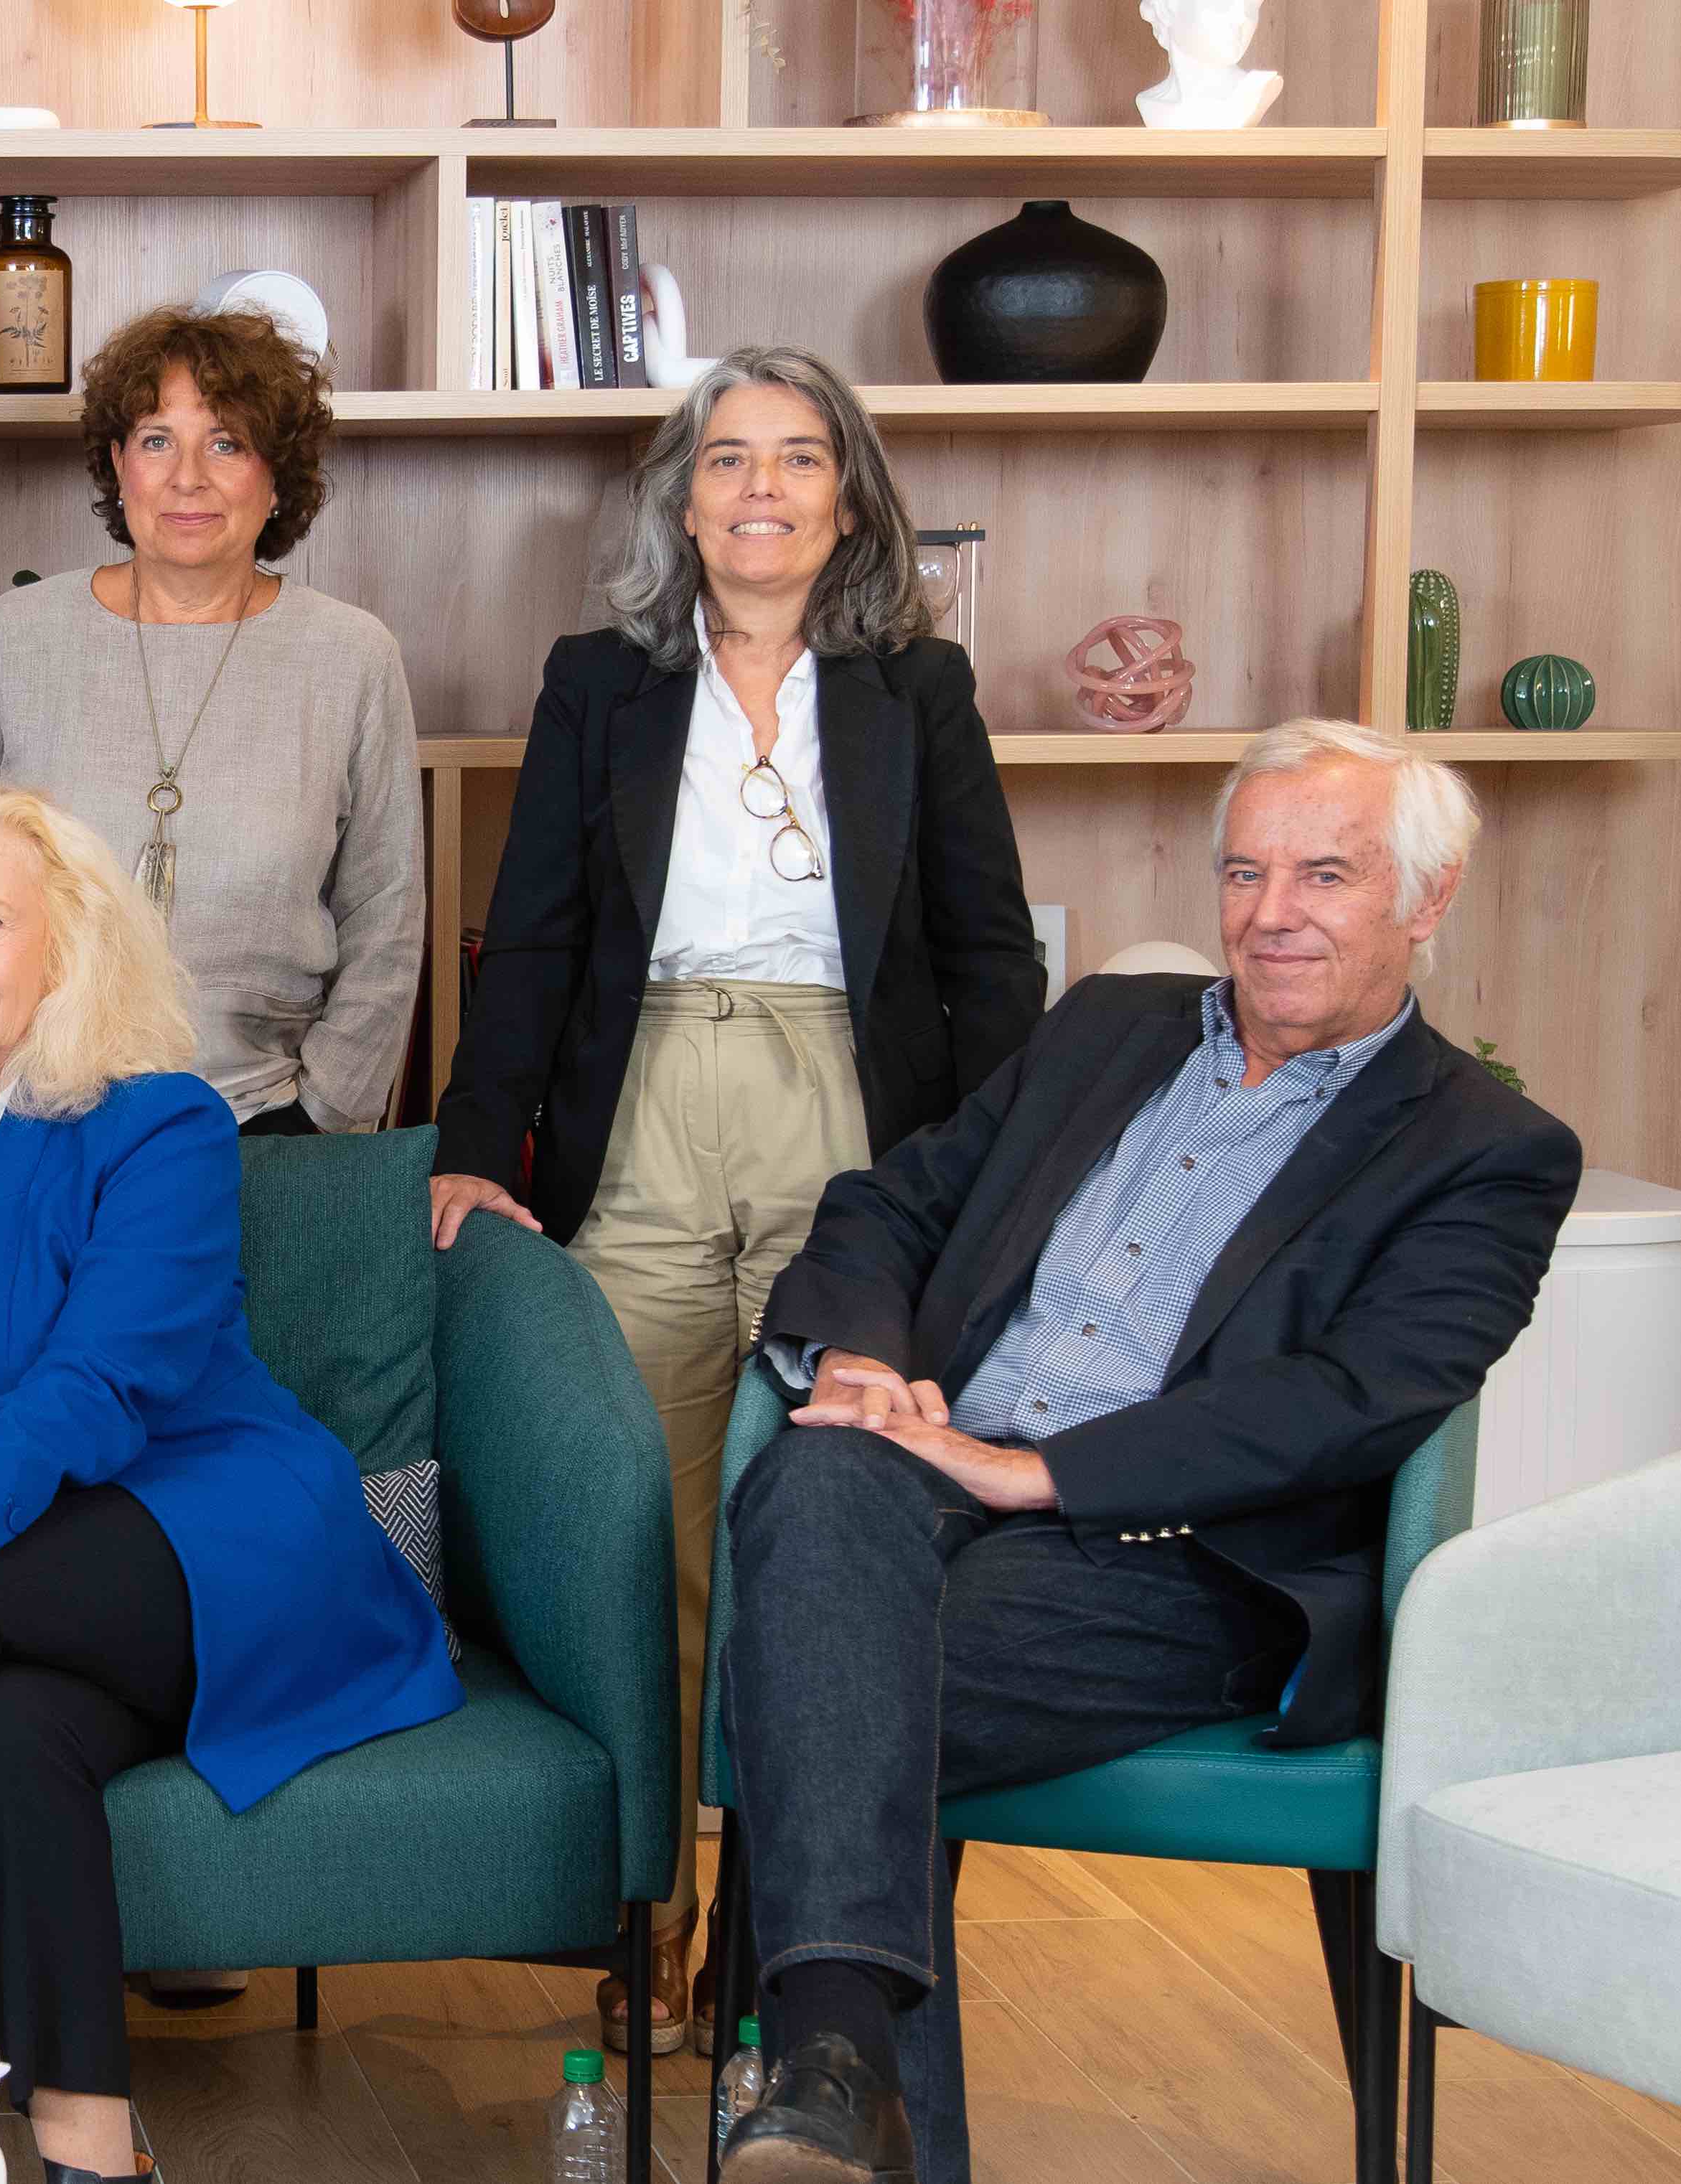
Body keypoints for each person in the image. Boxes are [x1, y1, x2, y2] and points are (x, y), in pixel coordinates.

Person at [715, 719, 1583, 2182]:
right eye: (1246, 872)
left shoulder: (1486, 1150)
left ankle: (828, 2064)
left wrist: (1041, 1473)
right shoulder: (1109, 1033)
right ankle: (837, 2076)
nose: (1271, 913)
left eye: (1326, 875)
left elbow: (1355, 1394)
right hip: (928, 1475)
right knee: (816, 1473)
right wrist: (867, 1363)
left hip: (1178, 1556)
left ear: (1428, 903)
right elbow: (890, 1205)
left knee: (833, 1665)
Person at [426, 343, 1043, 2055]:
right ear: (676, 497)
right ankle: (648, 1915)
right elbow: (528, 928)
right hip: (639, 1114)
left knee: (816, 1528)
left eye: (793, 458)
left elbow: (988, 953)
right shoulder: (594, 680)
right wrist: (476, 1137)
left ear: (845, 494)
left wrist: (995, 1177)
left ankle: (785, 1950)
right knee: (641, 1527)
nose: (756, 489)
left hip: (852, 1123)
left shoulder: (914, 686)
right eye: (723, 460)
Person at [0, 769, 462, 2182]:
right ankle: (87, 2147)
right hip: (22, 1561)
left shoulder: (161, 1121)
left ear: (63, 948)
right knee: (20, 1739)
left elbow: (101, 1385)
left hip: (214, 1527)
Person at [0, 303, 419, 1136]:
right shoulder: (18, 637)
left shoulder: (353, 656)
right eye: (157, 439)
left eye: (228, 443)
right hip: (32, 1116)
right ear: (117, 464)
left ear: (276, 477)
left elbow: (385, 923)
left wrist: (322, 1115)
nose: (188, 477)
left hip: (265, 1122)